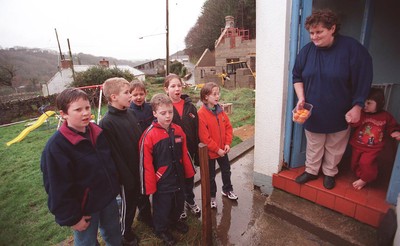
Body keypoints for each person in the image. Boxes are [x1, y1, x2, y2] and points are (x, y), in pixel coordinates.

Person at [292, 9, 373, 189]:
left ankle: (330, 172)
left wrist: (358, 105)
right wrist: (301, 98)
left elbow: (364, 76)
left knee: (335, 145)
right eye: (311, 33)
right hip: (313, 111)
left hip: (340, 110)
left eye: (319, 32)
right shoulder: (306, 52)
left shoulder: (352, 49)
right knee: (314, 143)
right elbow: (297, 77)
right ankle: (311, 171)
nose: (314, 37)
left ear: (332, 28)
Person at [41, 88, 121, 246]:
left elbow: (108, 163)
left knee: (113, 233)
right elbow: (57, 187)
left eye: (87, 108)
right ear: (63, 114)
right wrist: (73, 218)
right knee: (86, 241)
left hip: (107, 198)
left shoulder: (98, 132)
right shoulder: (56, 147)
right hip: (84, 209)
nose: (85, 113)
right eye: (78, 109)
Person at [139, 93, 196, 245]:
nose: (167, 116)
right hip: (162, 181)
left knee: (178, 203)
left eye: (170, 112)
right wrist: (150, 186)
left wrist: (189, 172)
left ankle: (174, 221)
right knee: (162, 207)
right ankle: (161, 229)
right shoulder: (149, 136)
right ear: (154, 113)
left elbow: (184, 152)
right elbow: (146, 164)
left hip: (178, 176)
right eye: (163, 113)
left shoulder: (177, 130)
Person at [98, 77, 145, 245]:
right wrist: (127, 178)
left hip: (138, 168)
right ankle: (125, 233)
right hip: (126, 176)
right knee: (128, 204)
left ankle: (143, 219)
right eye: (126, 93)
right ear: (113, 97)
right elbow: (114, 155)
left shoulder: (130, 113)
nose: (130, 96)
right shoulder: (106, 123)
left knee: (139, 200)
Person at [347, 88, 400, 190]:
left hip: (373, 147)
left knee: (366, 163)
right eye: (364, 102)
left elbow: (392, 126)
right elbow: (355, 123)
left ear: (379, 104)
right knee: (354, 163)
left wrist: (395, 132)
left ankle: (365, 179)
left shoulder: (385, 116)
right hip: (358, 144)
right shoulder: (361, 113)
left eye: (369, 103)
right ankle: (363, 175)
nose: (365, 105)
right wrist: (351, 120)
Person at [164, 74, 201, 219]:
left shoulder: (190, 107)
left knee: (189, 178)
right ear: (166, 89)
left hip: (189, 151)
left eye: (179, 85)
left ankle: (190, 201)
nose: (177, 89)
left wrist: (196, 155)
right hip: (173, 152)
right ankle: (179, 207)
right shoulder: (165, 109)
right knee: (176, 180)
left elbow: (196, 130)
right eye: (172, 86)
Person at [198, 82, 238, 209]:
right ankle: (211, 197)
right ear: (205, 97)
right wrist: (217, 149)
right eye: (214, 94)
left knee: (226, 170)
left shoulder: (220, 111)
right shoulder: (201, 114)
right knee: (210, 176)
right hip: (211, 152)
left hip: (223, 150)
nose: (217, 96)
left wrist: (227, 143)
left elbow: (228, 128)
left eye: (218, 93)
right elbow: (205, 138)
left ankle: (227, 189)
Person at [127, 80, 155, 228]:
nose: (138, 97)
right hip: (138, 154)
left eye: (141, 94)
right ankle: (144, 215)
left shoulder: (150, 108)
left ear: (146, 94)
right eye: (135, 94)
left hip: (152, 150)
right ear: (130, 96)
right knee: (141, 186)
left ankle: (156, 207)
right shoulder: (128, 112)